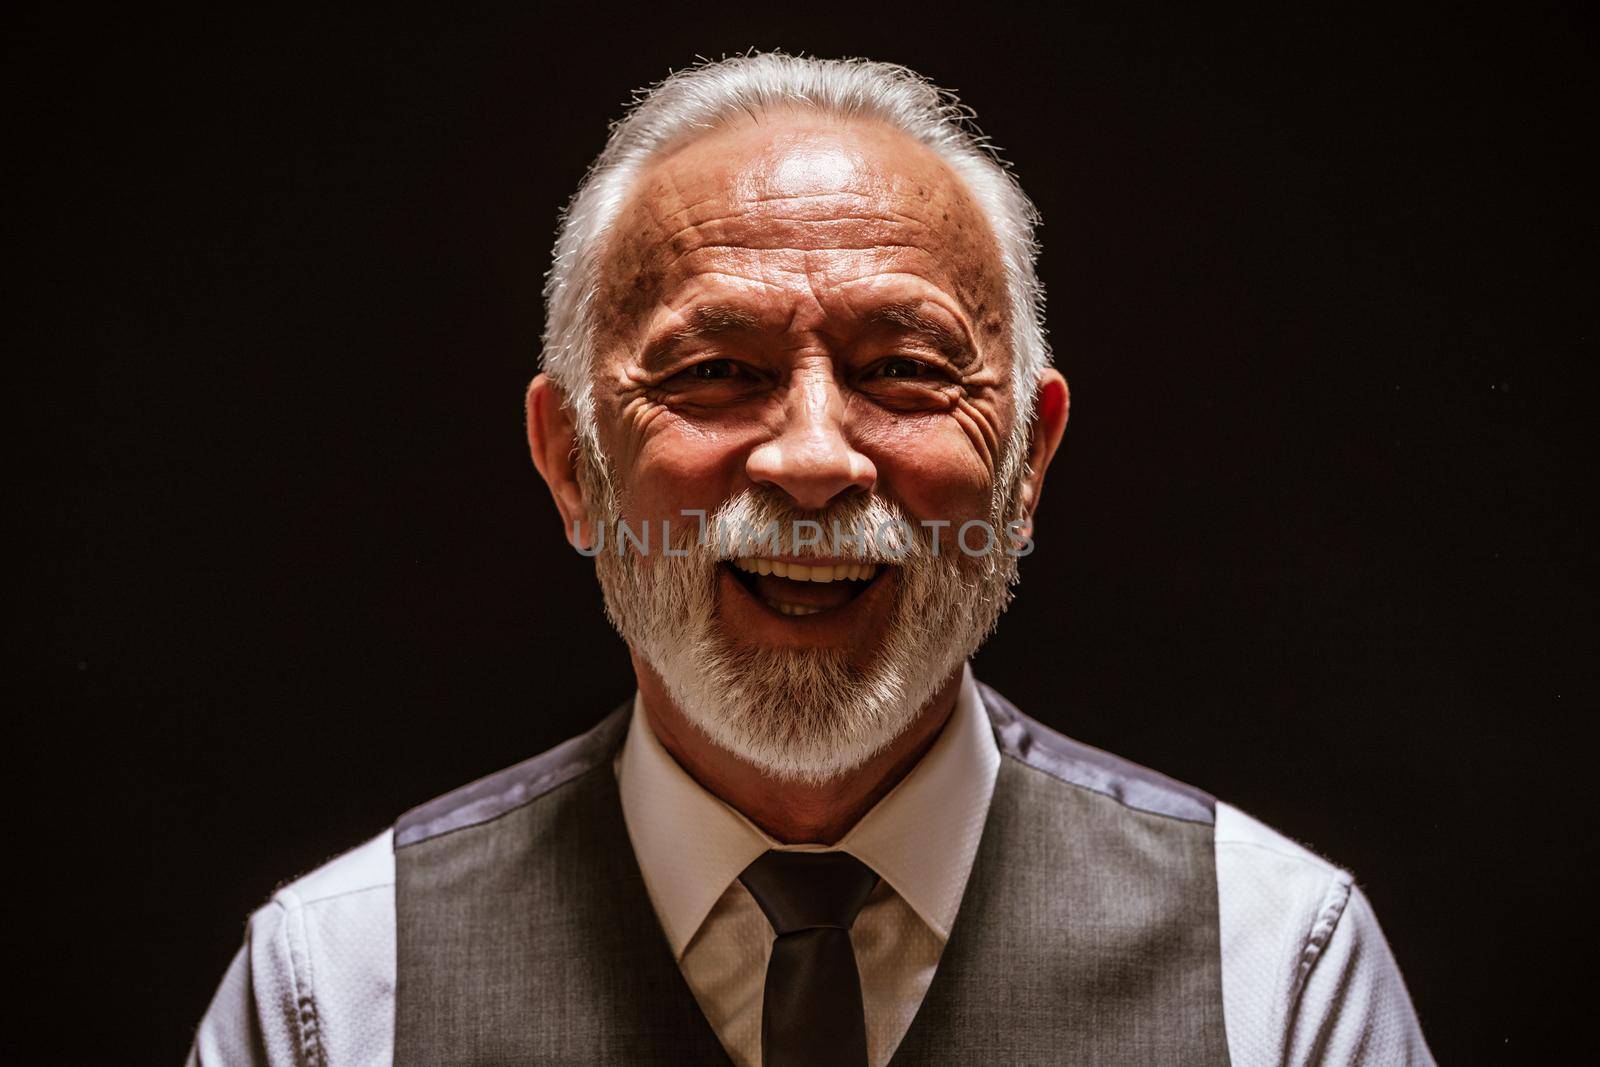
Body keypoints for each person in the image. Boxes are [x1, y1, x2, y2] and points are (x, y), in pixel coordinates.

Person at [188, 53, 1434, 1066]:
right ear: (571, 461)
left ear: (1028, 465)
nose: (814, 458)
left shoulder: (1275, 970)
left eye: (904, 369)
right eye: (715, 372)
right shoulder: (336, 993)